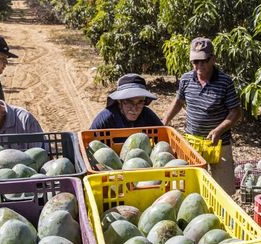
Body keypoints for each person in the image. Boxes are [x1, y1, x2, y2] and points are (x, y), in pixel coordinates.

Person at [163, 37, 243, 195]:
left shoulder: (225, 82)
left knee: (224, 190)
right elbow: (179, 101)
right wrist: (165, 120)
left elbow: (236, 111)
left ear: (213, 59)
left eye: (203, 61)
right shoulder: (186, 79)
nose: (199, 66)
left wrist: (219, 129)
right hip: (192, 141)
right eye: (195, 62)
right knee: (192, 187)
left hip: (219, 144)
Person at [90, 73, 163, 129]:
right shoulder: (107, 118)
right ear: (119, 101)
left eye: (140, 102)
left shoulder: (147, 115)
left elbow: (163, 135)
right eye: (129, 102)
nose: (135, 109)